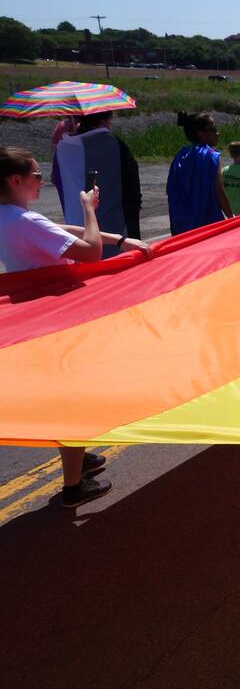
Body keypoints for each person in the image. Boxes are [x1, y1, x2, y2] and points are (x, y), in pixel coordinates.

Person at [0, 146, 151, 506]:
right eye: (36, 176)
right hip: (55, 318)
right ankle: (72, 487)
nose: (41, 183)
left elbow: (52, 229)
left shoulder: (9, 216)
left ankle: (78, 458)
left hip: (33, 317)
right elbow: (89, 250)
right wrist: (88, 209)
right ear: (15, 180)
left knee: (63, 391)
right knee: (72, 395)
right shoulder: (25, 221)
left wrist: (119, 238)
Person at [51, 110, 141, 256]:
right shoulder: (114, 144)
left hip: (74, 221)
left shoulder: (62, 147)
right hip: (114, 221)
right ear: (105, 120)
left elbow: (56, 179)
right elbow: (132, 186)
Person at [166, 112, 232, 235]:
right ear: (201, 134)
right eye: (213, 129)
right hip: (207, 223)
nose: (218, 133)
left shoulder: (180, 155)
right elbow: (219, 192)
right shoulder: (210, 155)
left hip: (181, 225)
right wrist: (231, 217)